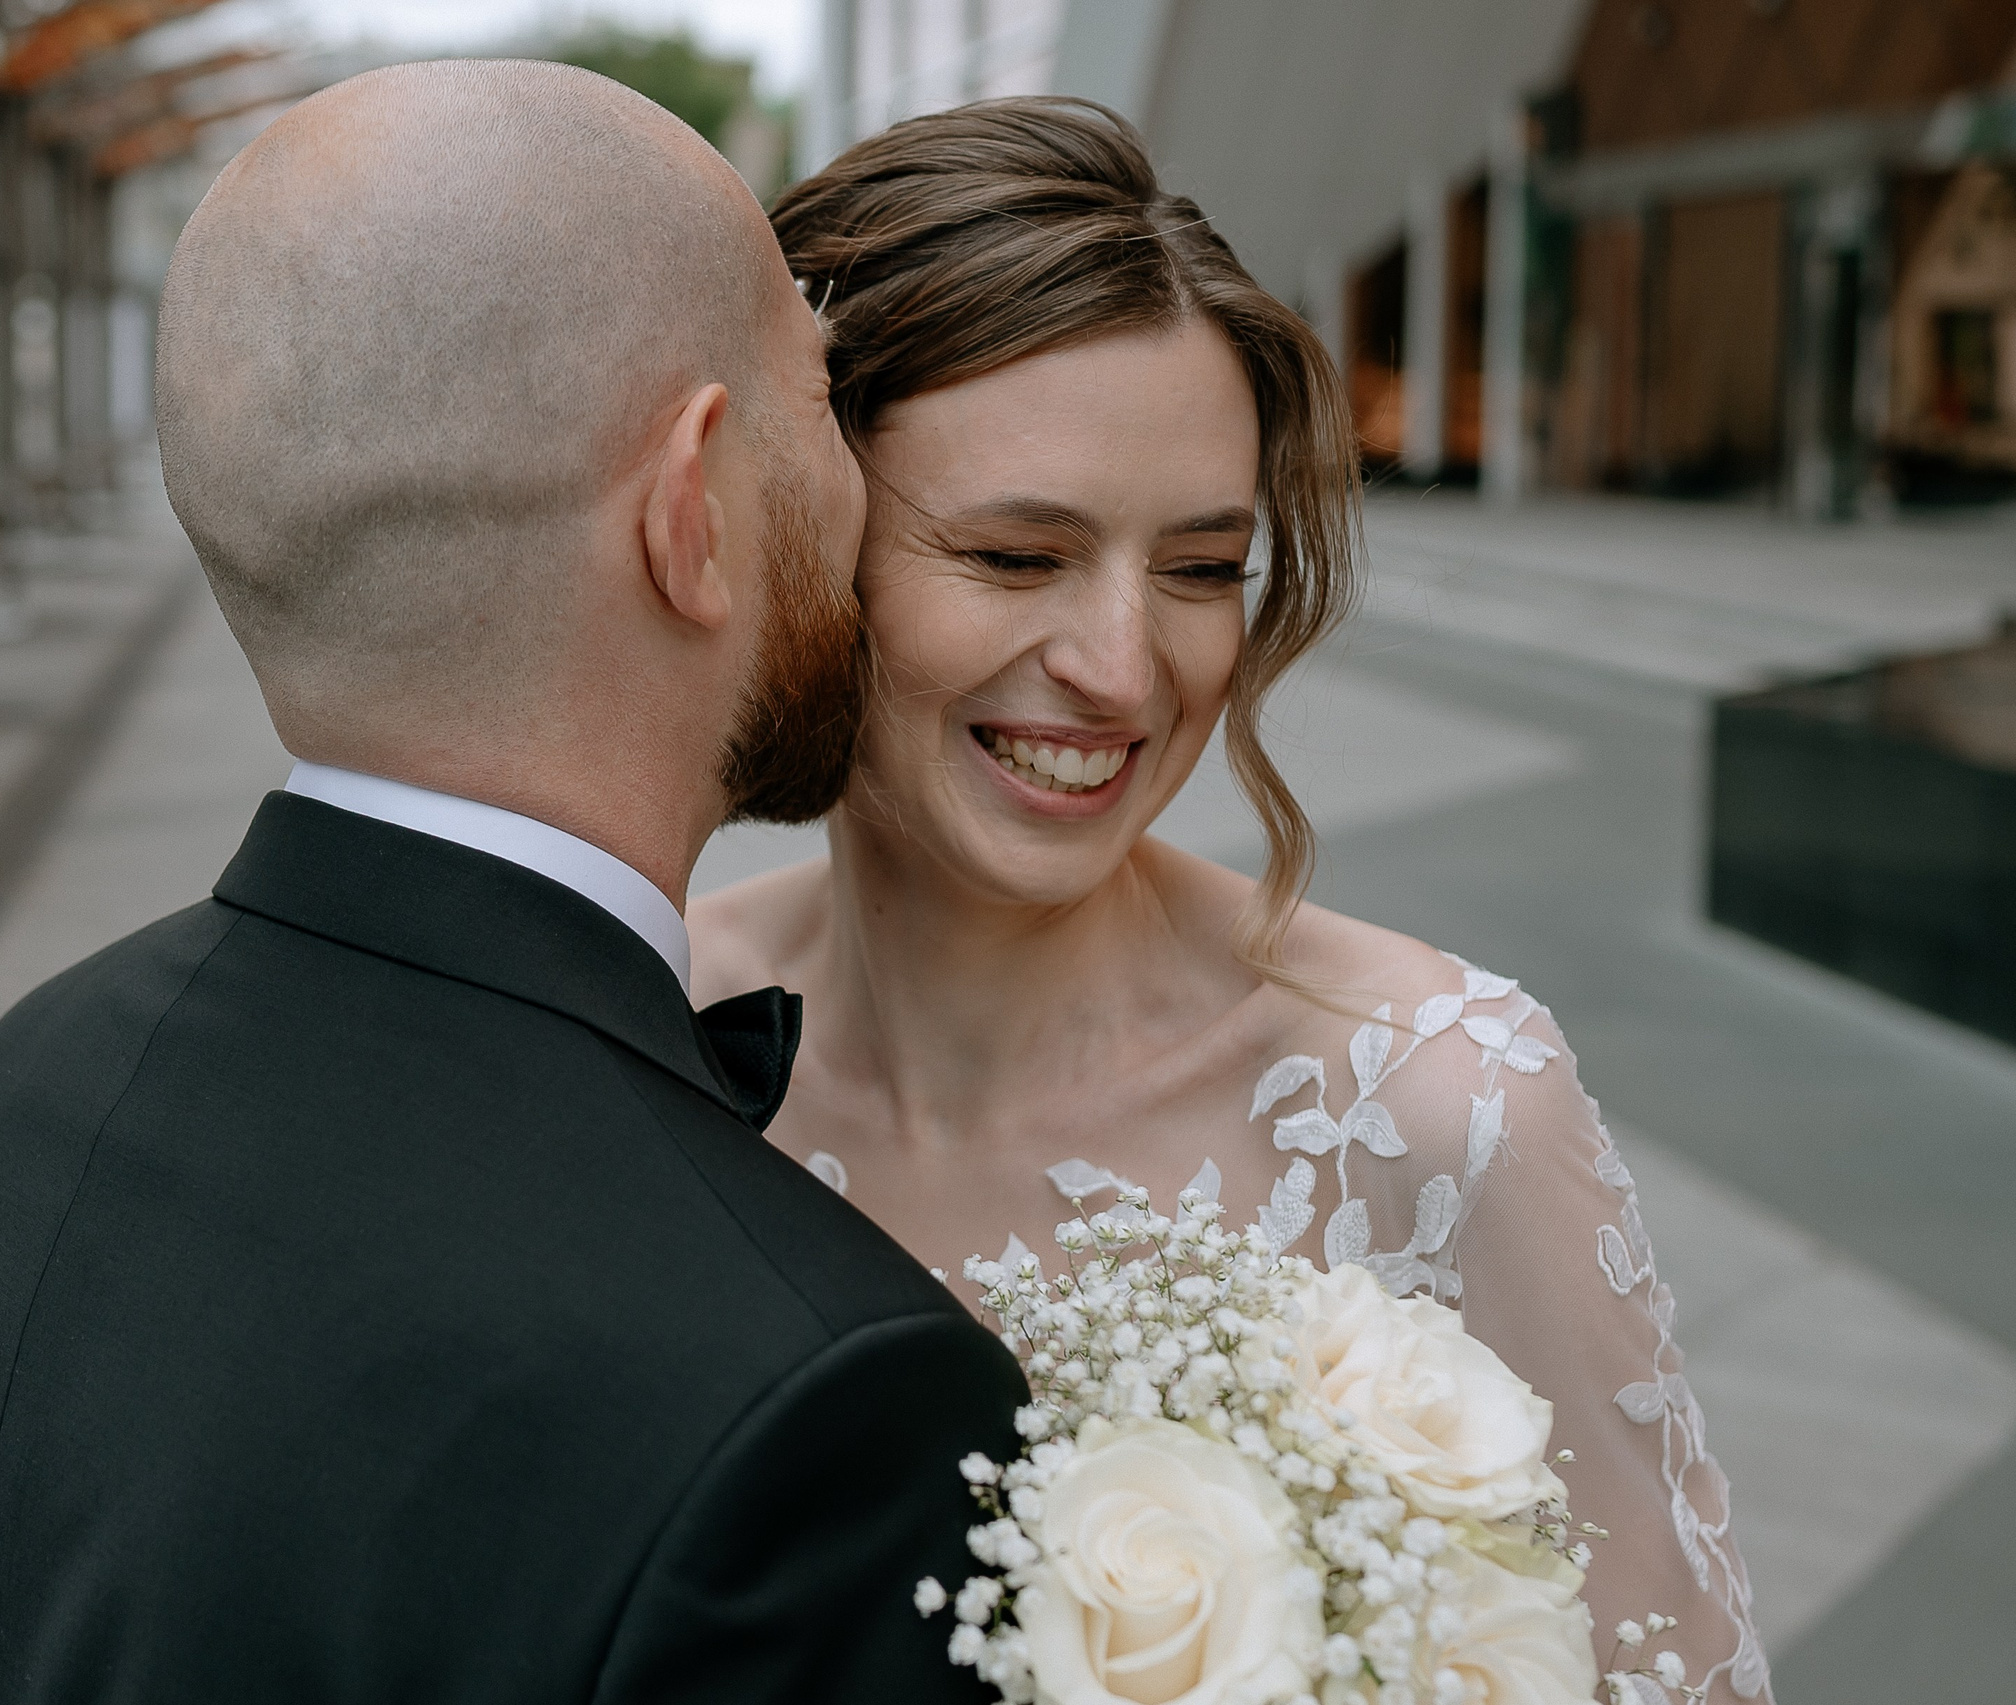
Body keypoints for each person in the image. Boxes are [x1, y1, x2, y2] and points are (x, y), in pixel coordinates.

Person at [0, 62, 1023, 1703]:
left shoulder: (26, 1088)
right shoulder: (819, 1396)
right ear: (690, 509)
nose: (863, 495)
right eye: (822, 401)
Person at [691, 98, 1772, 1702]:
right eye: (1014, 555)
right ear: (802, 533)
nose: (1127, 670)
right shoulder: (651, 1023)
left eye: (1202, 568)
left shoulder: (1440, 1109)